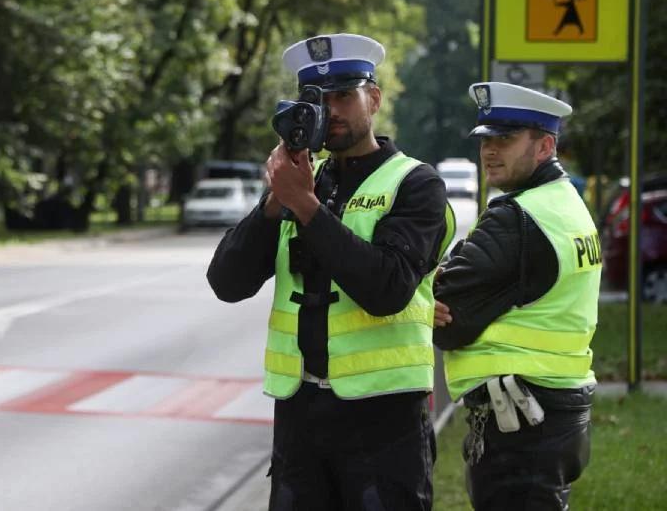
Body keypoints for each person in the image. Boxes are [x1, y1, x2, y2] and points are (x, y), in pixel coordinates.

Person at [207, 33, 453, 510]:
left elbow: (386, 289)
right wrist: (274, 206)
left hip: (382, 420)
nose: (330, 110)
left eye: (344, 95)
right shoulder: (303, 180)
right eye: (315, 100)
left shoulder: (416, 183)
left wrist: (307, 208)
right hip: (301, 417)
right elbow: (226, 283)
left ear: (374, 99)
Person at [433, 82, 597, 510]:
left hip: (522, 426)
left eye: (505, 139)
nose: (490, 150)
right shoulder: (567, 204)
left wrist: (440, 281)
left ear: (544, 146)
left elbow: (450, 315)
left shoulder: (517, 219)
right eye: (487, 139)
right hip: (557, 414)